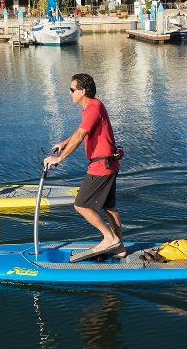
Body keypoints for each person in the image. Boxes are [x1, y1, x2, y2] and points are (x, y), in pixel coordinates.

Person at [44, 73, 125, 259]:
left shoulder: (94, 107)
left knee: (81, 205)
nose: (69, 92)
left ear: (82, 91)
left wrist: (59, 159)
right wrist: (63, 143)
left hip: (101, 167)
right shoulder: (91, 108)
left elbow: (81, 135)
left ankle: (109, 238)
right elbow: (81, 131)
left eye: (72, 89)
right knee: (109, 207)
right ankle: (119, 248)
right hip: (108, 165)